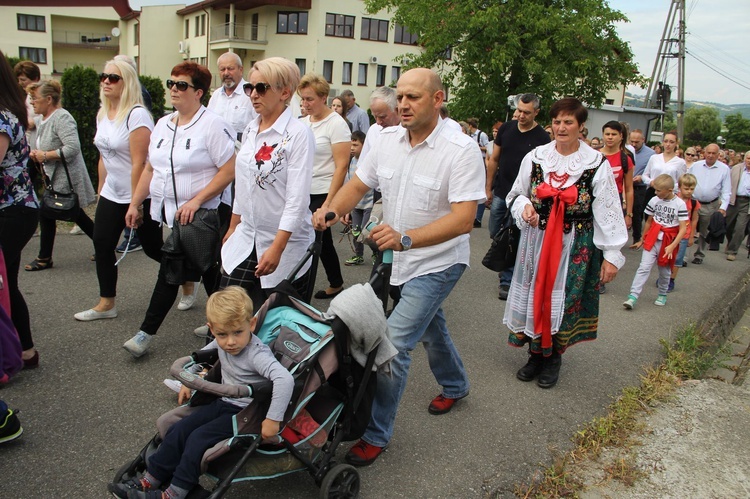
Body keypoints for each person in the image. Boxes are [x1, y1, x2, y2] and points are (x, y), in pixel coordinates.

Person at [313, 68, 485, 466]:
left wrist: (407, 238)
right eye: (401, 97)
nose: (403, 105)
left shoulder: (459, 150)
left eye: (414, 98)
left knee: (392, 346)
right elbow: (359, 183)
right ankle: (456, 384)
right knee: (431, 328)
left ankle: (375, 434)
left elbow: (463, 220)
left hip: (438, 261)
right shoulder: (383, 138)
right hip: (395, 260)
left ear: (438, 99)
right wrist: (331, 209)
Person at [117, 286, 293, 499]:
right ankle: (152, 478)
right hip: (223, 402)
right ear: (212, 329)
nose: (230, 342)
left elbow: (285, 379)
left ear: (252, 324)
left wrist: (273, 419)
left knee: (197, 439)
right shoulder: (223, 342)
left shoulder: (256, 354)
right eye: (221, 334)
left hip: (245, 413)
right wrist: (189, 374)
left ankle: (175, 493)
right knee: (179, 429)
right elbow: (208, 352)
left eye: (238, 332)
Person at [504, 97, 628, 389]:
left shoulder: (596, 163)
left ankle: (554, 357)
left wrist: (612, 254)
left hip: (575, 243)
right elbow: (516, 193)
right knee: (536, 294)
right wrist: (524, 207)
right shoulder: (536, 157)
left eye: (568, 122)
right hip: (537, 239)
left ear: (581, 126)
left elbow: (608, 209)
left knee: (563, 298)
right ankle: (535, 353)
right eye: (557, 121)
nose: (561, 127)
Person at [122, 62, 236, 357]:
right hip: (173, 215)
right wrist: (136, 203)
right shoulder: (163, 124)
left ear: (198, 92)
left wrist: (197, 200)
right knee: (206, 272)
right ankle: (226, 325)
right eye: (170, 83)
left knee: (177, 270)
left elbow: (230, 168)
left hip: (205, 214)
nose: (174, 89)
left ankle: (146, 334)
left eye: (181, 85)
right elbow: (150, 167)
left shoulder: (212, 124)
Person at [220, 56, 315, 312]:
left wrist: (277, 248)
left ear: (285, 92)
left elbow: (297, 201)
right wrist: (232, 226)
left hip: (283, 243)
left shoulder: (298, 134)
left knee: (276, 326)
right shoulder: (251, 129)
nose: (253, 94)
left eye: (262, 88)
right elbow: (243, 184)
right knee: (227, 316)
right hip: (246, 236)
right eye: (250, 88)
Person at [74, 58, 161, 323]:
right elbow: (103, 156)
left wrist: (135, 203)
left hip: (139, 193)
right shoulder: (103, 113)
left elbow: (140, 163)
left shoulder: (137, 115)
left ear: (127, 82)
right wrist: (102, 189)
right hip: (113, 191)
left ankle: (186, 280)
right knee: (102, 243)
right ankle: (106, 302)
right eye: (104, 77)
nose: (106, 82)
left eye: (113, 78)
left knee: (154, 249)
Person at [24, 80, 96, 271]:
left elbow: (72, 148)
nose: (31, 102)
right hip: (53, 176)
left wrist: (44, 155)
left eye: (34, 98)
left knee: (55, 212)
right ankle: (103, 244)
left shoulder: (62, 118)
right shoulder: (42, 119)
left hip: (66, 177)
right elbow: (32, 126)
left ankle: (44, 258)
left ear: (49, 99)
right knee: (70, 213)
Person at [486, 93, 550, 300]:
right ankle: (503, 254)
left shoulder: (542, 138)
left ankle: (506, 280)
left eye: (526, 112)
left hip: (523, 197)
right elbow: (494, 159)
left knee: (512, 234)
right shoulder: (506, 129)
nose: (521, 116)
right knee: (496, 232)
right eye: (519, 111)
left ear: (536, 112)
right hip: (501, 191)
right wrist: (488, 187)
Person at [0, 50, 40, 368]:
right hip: (16, 210)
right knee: (7, 281)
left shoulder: (2, 117)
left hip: (13, 211)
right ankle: (25, 351)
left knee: (5, 280)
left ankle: (16, 351)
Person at [298, 73, 351, 300]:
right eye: (302, 99)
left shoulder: (336, 124)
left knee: (317, 239)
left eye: (309, 99)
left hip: (323, 189)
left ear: (323, 97)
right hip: (303, 189)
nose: (305, 104)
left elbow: (341, 166)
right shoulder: (302, 123)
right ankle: (334, 282)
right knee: (308, 238)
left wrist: (330, 202)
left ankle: (315, 286)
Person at [623, 174, 688, 309]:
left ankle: (662, 293)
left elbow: (682, 229)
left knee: (664, 271)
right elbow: (648, 221)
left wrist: (672, 246)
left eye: (659, 190)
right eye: (655, 190)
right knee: (644, 267)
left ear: (670, 190)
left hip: (668, 240)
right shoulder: (654, 200)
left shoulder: (680, 204)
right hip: (653, 237)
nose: (656, 193)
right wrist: (642, 239)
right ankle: (632, 296)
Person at [690, 143, 731, 265]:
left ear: (718, 155)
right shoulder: (695, 166)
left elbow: (726, 190)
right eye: (709, 152)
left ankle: (699, 254)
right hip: (694, 202)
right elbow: (687, 180)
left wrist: (723, 207)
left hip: (710, 204)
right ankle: (683, 256)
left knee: (704, 231)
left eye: (714, 153)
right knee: (687, 229)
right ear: (704, 153)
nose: (711, 155)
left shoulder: (724, 169)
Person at [342, 130, 374, 266]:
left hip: (368, 203)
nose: (352, 148)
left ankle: (376, 252)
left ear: (364, 145)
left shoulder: (369, 160)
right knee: (355, 231)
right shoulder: (350, 161)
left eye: (355, 145)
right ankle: (358, 255)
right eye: (351, 145)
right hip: (356, 204)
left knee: (367, 232)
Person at [670, 173, 699, 290]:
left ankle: (671, 280)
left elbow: (694, 219)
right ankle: (665, 276)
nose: (689, 191)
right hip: (671, 232)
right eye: (686, 188)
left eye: (692, 189)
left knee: (678, 258)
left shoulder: (693, 203)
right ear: (680, 187)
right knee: (667, 257)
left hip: (684, 234)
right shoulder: (673, 199)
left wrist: (691, 236)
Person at [641, 131, 686, 200]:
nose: (668, 144)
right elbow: (645, 175)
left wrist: (668, 187)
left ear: (676, 143)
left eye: (671, 142)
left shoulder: (680, 162)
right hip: (652, 192)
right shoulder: (654, 158)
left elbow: (680, 182)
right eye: (666, 141)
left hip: (669, 195)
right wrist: (651, 182)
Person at [630, 129, 656, 245]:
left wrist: (641, 177)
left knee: (637, 212)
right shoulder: (627, 150)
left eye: (637, 142)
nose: (634, 145)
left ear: (643, 140)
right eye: (632, 142)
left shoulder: (651, 154)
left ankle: (637, 237)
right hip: (625, 184)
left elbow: (651, 172)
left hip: (639, 187)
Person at [724, 151, 750, 261]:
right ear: (745, 158)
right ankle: (731, 241)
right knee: (729, 225)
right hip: (734, 199)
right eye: (749, 158)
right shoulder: (736, 168)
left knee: (740, 227)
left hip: (747, 202)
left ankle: (732, 250)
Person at [466, 117, 489, 228]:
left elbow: (489, 148)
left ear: (470, 126)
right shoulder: (470, 136)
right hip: (471, 162)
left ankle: (478, 218)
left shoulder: (482, 135)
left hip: (482, 162)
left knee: (479, 190)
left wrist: (478, 148)